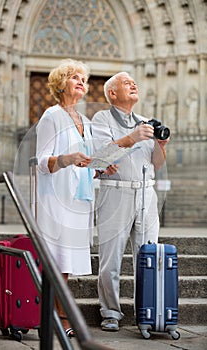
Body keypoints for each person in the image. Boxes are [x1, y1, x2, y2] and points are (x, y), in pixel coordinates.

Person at [36, 59, 116, 337]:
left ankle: (56, 315)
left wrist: (101, 167)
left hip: (79, 198)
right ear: (61, 84)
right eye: (74, 77)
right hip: (56, 198)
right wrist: (67, 159)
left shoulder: (86, 121)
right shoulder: (52, 116)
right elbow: (41, 161)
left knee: (66, 262)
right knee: (59, 260)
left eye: (83, 78)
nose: (82, 82)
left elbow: (86, 166)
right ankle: (61, 318)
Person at [91, 72, 169, 331]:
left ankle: (147, 311)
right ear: (112, 93)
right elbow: (101, 159)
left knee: (147, 256)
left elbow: (156, 164)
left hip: (147, 193)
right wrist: (133, 137)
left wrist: (161, 144)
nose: (134, 84)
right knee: (110, 259)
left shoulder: (145, 122)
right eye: (127, 83)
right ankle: (111, 311)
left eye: (134, 82)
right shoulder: (102, 119)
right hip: (115, 192)